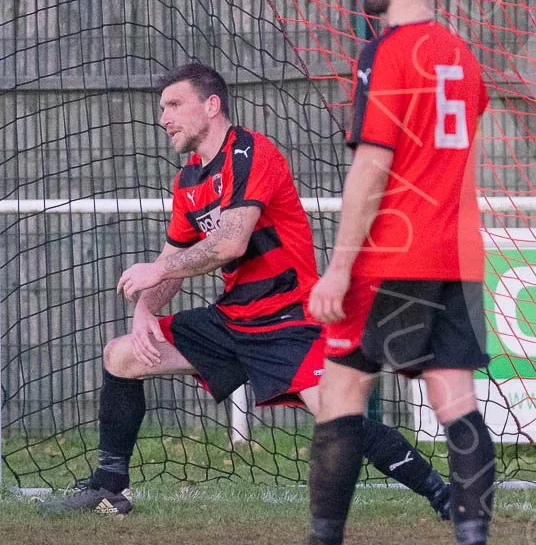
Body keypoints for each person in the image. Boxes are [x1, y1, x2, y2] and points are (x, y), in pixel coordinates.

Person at [39, 63, 452, 520]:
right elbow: (169, 268)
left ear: (211, 106)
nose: (163, 118)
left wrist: (156, 273)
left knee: (339, 420)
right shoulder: (188, 181)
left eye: (174, 105)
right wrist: (144, 314)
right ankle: (109, 487)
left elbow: (229, 242)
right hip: (233, 319)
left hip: (289, 319)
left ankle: (445, 495)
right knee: (121, 355)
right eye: (162, 108)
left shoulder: (252, 153)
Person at [256, 0, 494, 545]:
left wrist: (338, 267)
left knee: (342, 390)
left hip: (394, 252)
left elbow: (374, 163)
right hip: (458, 252)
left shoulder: (387, 52)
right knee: (456, 401)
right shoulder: (463, 56)